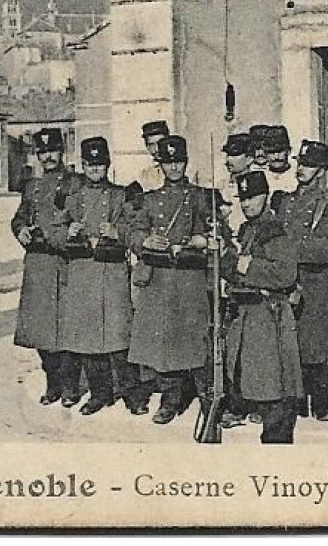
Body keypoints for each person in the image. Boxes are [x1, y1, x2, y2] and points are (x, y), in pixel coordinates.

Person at [126, 134, 214, 425]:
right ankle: (169, 400)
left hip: (191, 277)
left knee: (197, 340)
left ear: (186, 162)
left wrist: (202, 239)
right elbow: (133, 232)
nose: (174, 167)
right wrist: (146, 240)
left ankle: (209, 400)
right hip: (160, 279)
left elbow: (218, 230)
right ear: (160, 165)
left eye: (179, 161)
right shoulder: (150, 201)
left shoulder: (202, 196)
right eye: (168, 162)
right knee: (164, 343)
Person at [59, 137, 146, 416]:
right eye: (90, 164)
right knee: (89, 339)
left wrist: (116, 231)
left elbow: (135, 225)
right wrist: (68, 231)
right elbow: (53, 226)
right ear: (82, 166)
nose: (95, 169)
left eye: (100, 164)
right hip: (83, 272)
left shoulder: (122, 196)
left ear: (107, 164)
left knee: (120, 336)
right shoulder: (72, 199)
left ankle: (133, 395)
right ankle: (100, 394)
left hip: (112, 273)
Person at [221, 170, 303, 443]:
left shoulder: (274, 229)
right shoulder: (247, 230)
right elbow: (233, 271)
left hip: (269, 317)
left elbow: (285, 273)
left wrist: (248, 265)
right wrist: (224, 255)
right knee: (255, 382)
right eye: (243, 199)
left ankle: (277, 445)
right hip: (248, 316)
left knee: (274, 388)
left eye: (253, 197)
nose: (247, 204)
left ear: (266, 196)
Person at [271, 139, 328, 421]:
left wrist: (290, 250)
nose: (301, 169)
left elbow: (327, 248)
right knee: (293, 341)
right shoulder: (286, 201)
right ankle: (297, 400)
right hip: (289, 279)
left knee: (319, 343)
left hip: (316, 280)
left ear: (323, 170)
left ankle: (322, 404)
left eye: (309, 165)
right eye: (300, 163)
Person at [13, 128, 77, 407]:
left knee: (66, 327)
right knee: (41, 329)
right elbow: (19, 218)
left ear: (62, 151)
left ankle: (71, 386)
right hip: (38, 265)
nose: (48, 157)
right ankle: (53, 384)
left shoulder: (76, 183)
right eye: (42, 152)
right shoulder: (32, 186)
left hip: (65, 264)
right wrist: (21, 231)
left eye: (52, 151)